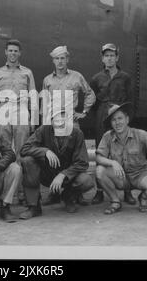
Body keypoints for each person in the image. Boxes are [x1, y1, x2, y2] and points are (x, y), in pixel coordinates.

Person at [41, 45, 95, 206]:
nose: (60, 61)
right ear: (53, 60)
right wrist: (46, 123)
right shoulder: (47, 80)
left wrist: (84, 111)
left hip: (72, 121)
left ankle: (76, 193)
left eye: (63, 58)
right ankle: (54, 192)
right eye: (57, 58)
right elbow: (45, 102)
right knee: (55, 157)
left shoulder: (77, 77)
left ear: (67, 59)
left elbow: (90, 93)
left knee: (77, 155)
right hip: (54, 123)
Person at [19, 109, 94, 219]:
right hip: (47, 174)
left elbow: (82, 162)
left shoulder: (77, 133)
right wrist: (44, 151)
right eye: (57, 120)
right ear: (51, 121)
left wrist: (63, 174)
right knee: (27, 161)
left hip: (68, 177)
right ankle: (33, 206)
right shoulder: (43, 130)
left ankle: (68, 196)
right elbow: (24, 149)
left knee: (86, 181)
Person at [95, 102, 147, 214]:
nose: (117, 122)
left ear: (127, 119)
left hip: (141, 175)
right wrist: (113, 163)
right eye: (114, 120)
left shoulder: (140, 134)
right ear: (111, 123)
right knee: (100, 171)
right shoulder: (108, 136)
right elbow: (99, 157)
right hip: (121, 177)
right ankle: (115, 201)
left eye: (120, 118)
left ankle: (143, 197)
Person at [0, 39, 36, 204]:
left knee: (22, 152)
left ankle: (22, 193)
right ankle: (5, 192)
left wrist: (33, 119)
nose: (13, 54)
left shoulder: (27, 73)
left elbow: (32, 96)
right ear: (5, 52)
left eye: (15, 51)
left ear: (20, 53)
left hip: (22, 110)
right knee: (5, 153)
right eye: (10, 51)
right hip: (3, 111)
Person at [89, 43, 135, 205]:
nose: (109, 58)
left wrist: (125, 117)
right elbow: (92, 101)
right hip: (102, 116)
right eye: (106, 55)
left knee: (124, 152)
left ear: (117, 57)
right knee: (101, 152)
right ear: (102, 58)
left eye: (112, 55)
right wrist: (101, 115)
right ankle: (100, 191)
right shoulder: (96, 78)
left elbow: (131, 100)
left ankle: (128, 191)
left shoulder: (125, 77)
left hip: (120, 114)